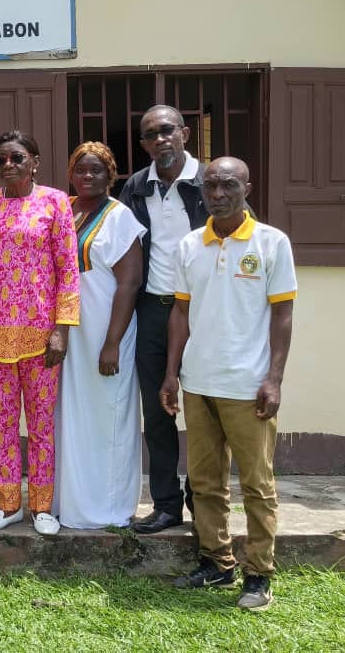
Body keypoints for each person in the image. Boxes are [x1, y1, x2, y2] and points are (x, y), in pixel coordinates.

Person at [161, 156, 295, 612]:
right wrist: (171, 373)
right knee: (204, 481)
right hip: (198, 383)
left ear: (247, 188)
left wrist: (274, 378)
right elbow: (180, 313)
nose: (218, 194)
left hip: (248, 386)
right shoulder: (189, 245)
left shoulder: (271, 242)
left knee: (257, 484)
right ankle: (217, 562)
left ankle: (259, 573)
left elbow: (282, 314)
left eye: (228, 185)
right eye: (211, 186)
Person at [0, 130, 79, 536]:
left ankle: (42, 507)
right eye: (1, 159)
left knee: (42, 424)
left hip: (40, 335)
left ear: (35, 162)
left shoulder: (55, 202)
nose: (9, 165)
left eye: (17, 158)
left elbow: (68, 268)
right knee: (3, 424)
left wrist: (62, 329)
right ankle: (9, 504)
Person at [119, 104, 208, 534]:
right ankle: (167, 504)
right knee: (158, 412)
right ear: (143, 144)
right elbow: (121, 247)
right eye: (150, 135)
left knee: (206, 409)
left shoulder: (211, 181)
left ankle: (204, 502)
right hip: (154, 310)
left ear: (184, 134)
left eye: (167, 130)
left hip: (204, 312)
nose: (160, 139)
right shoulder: (136, 187)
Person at [54, 142, 145, 529]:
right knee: (71, 415)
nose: (87, 176)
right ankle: (69, 501)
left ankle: (107, 506)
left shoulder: (119, 216)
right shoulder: (64, 209)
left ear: (111, 175)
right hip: (69, 327)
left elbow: (129, 283)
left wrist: (112, 343)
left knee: (107, 413)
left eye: (96, 170)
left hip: (106, 326)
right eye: (80, 169)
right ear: (70, 174)